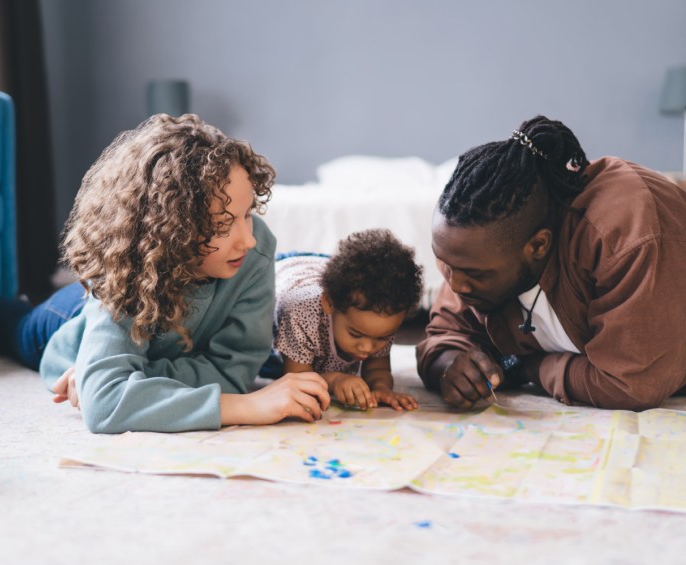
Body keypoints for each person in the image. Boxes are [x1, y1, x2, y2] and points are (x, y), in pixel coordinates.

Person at [0, 113, 331, 432]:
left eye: (247, 214)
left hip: (148, 348)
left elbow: (231, 373)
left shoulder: (255, 251)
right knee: (12, 327)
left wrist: (129, 380)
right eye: (224, 225)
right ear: (171, 230)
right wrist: (247, 405)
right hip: (70, 317)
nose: (248, 240)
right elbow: (105, 405)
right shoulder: (129, 267)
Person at [416, 115, 686, 411]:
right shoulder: (473, 254)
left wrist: (530, 367)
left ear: (538, 246)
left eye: (474, 273)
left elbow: (631, 385)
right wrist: (450, 367)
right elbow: (444, 336)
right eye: (445, 264)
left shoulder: (625, 235)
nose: (455, 284)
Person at [270, 229, 423, 411]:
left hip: (319, 266)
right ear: (329, 303)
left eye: (381, 338)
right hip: (285, 270)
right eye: (355, 334)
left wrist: (380, 388)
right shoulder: (300, 314)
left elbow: (377, 370)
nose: (367, 348)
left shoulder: (383, 315)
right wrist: (335, 380)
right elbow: (296, 377)